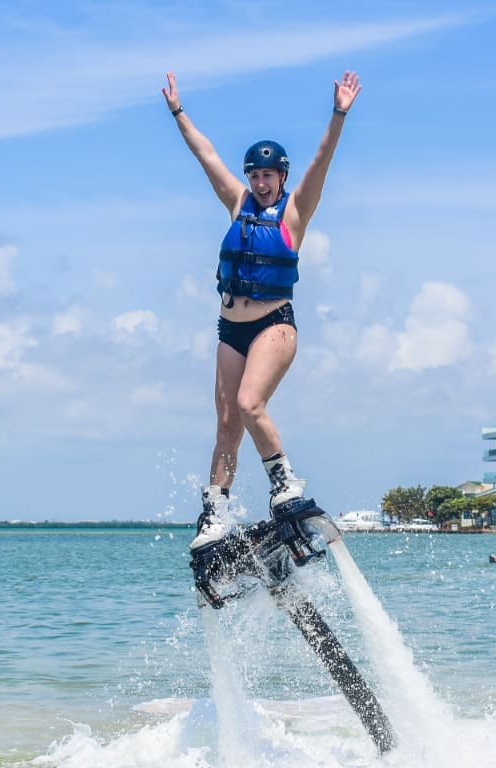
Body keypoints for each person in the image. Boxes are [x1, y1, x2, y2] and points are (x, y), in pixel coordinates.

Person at [162, 70, 362, 550]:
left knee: (251, 404)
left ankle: (284, 483)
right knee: (227, 423)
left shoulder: (295, 212)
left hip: (274, 326)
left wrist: (338, 113)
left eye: (267, 175)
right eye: (253, 174)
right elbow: (204, 154)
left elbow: (322, 158)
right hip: (230, 330)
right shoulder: (237, 203)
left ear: (282, 177)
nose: (259, 182)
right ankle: (216, 514)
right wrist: (177, 112)